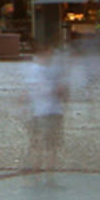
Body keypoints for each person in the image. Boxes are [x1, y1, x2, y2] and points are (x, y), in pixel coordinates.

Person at [25, 47, 68, 179]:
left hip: (40, 112)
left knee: (38, 144)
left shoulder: (32, 70)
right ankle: (47, 176)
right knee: (49, 146)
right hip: (48, 112)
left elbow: (26, 93)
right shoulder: (47, 71)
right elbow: (60, 92)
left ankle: (37, 174)